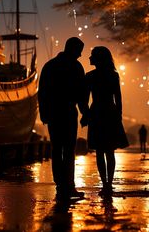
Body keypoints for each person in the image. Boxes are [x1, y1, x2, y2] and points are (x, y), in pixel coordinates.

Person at [38, 37, 88, 200]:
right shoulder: (76, 67)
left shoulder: (50, 66)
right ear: (73, 49)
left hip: (53, 113)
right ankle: (69, 186)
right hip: (68, 112)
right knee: (68, 151)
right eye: (79, 51)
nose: (80, 55)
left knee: (56, 148)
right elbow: (82, 94)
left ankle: (60, 186)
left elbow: (42, 92)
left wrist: (44, 113)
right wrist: (84, 112)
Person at [81, 46, 129, 197]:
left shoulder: (90, 76)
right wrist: (118, 115)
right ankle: (109, 183)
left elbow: (84, 99)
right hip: (110, 112)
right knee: (110, 151)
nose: (89, 58)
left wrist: (86, 115)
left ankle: (104, 183)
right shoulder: (113, 76)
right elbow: (118, 98)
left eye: (92, 55)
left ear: (98, 59)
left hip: (96, 113)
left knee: (100, 151)